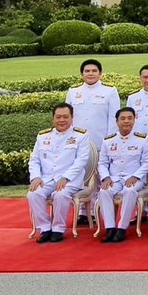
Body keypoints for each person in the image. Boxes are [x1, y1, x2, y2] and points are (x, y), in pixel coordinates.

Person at [27, 103, 91, 244]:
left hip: (70, 179)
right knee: (33, 194)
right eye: (58, 117)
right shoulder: (43, 136)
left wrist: (66, 177)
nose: (62, 120)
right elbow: (34, 160)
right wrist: (36, 177)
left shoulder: (80, 135)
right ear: (53, 119)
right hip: (47, 179)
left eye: (65, 117)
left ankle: (58, 229)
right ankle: (45, 228)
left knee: (60, 194)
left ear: (72, 118)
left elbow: (81, 160)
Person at [96, 106, 148, 243]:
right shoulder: (108, 140)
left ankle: (122, 228)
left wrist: (135, 177)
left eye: (129, 118)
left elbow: (147, 162)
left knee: (130, 191)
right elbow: (102, 163)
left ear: (134, 120)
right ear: (117, 122)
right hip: (114, 179)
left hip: (135, 178)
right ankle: (110, 228)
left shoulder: (142, 139)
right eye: (122, 119)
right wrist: (106, 177)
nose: (126, 121)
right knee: (104, 191)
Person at [65, 59, 120, 146]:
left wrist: (110, 140)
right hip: (77, 141)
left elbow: (114, 118)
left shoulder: (110, 91)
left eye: (94, 71)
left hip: (100, 141)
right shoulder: (73, 91)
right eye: (87, 71)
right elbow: (67, 116)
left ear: (100, 73)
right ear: (82, 74)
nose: (90, 73)